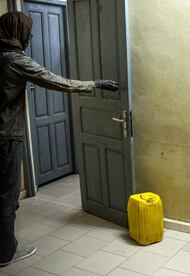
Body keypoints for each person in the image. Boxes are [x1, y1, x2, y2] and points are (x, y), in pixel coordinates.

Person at [0, 11, 118, 267]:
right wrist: (95, 83)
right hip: (6, 136)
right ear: (16, 32)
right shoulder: (16, 61)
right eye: (27, 33)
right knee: (7, 196)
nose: (30, 38)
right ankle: (6, 253)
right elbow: (58, 82)